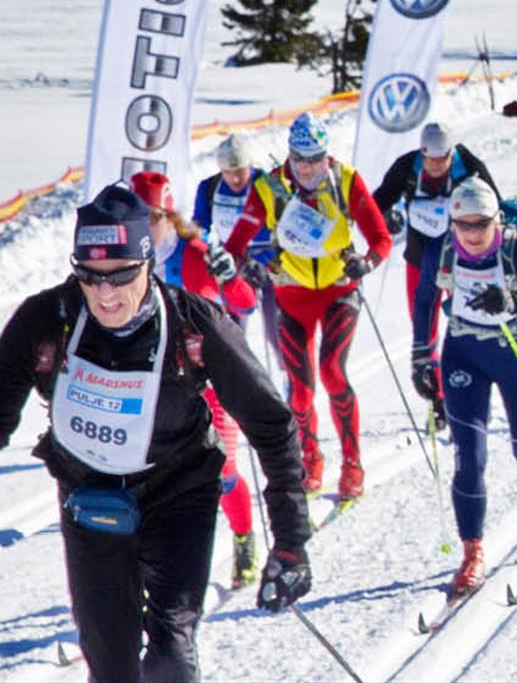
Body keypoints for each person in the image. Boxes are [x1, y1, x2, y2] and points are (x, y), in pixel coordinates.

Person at [0, 185, 314, 680]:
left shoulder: (192, 323)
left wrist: (291, 540)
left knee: (170, 654)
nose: (105, 293)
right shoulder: (46, 321)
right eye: (91, 276)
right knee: (111, 664)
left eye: (121, 275)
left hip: (179, 494)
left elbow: (272, 423)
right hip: (90, 500)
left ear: (147, 262)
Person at [224, 112, 392, 497]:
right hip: (291, 294)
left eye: (316, 158)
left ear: (327, 155)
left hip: (337, 290)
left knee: (333, 372)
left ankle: (352, 463)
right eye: (301, 159)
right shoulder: (269, 187)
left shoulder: (345, 180)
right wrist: (251, 262)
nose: (309, 168)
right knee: (299, 390)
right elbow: (236, 243)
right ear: (290, 156)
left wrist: (365, 263)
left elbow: (380, 237)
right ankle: (310, 459)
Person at [414, 179, 517, 593]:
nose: (474, 234)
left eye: (482, 224)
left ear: (497, 220)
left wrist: (516, 304)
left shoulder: (514, 247)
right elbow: (425, 301)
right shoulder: (442, 249)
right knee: (469, 456)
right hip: (464, 354)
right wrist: (421, 357)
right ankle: (472, 552)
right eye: (464, 225)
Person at [130, 171, 268, 587]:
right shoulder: (126, 256)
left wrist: (229, 276)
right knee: (150, 480)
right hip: (153, 385)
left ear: (169, 215)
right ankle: (145, 571)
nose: (146, 225)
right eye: (138, 216)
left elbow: (246, 302)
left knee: (222, 473)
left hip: (208, 381)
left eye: (153, 216)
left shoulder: (193, 251)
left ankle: (244, 537)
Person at [373, 121, 500, 420]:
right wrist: (386, 218)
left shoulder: (469, 166)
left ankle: (476, 390)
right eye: (430, 159)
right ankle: (439, 398)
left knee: (469, 321)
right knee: (423, 323)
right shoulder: (407, 166)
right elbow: (375, 203)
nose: (435, 166)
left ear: (451, 154)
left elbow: (496, 207)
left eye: (442, 159)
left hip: (463, 260)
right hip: (420, 259)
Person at [193, 135, 279, 355]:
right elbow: (199, 228)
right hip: (233, 266)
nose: (235, 178)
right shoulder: (209, 188)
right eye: (228, 172)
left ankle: (291, 377)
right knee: (232, 332)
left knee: (276, 331)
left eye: (240, 170)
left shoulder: (269, 184)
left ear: (249, 164)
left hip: (271, 265)